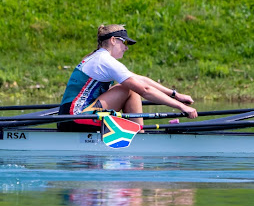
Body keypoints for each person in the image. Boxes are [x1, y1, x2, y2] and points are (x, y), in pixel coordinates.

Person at [58, 24, 197, 132]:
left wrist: (175, 94)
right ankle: (139, 138)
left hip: (69, 117)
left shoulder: (99, 58)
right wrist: (180, 106)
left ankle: (137, 135)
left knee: (132, 85)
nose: (126, 48)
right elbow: (145, 90)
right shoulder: (104, 60)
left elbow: (142, 80)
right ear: (113, 40)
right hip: (76, 118)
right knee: (131, 89)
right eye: (124, 43)